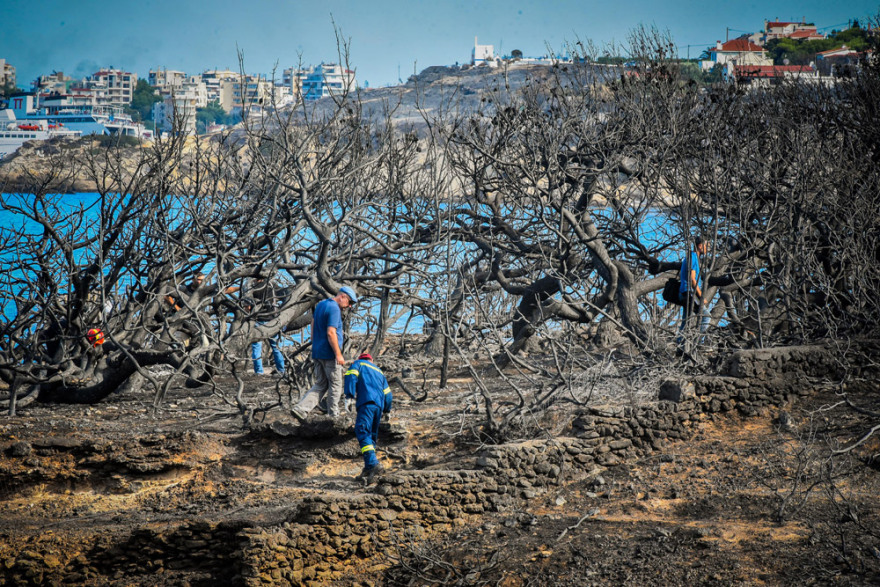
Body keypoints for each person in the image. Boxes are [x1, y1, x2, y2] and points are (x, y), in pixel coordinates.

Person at [290, 286, 358, 421]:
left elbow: (313, 322)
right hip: (329, 354)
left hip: (317, 351)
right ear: (343, 296)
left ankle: (301, 409)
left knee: (321, 383)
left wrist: (315, 343)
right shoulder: (334, 309)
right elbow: (331, 332)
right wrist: (338, 354)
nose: (349, 306)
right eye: (349, 302)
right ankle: (333, 415)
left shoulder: (321, 304)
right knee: (335, 384)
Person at [344, 352, 392, 482]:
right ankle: (368, 468)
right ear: (371, 360)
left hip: (366, 403)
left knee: (362, 430)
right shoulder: (379, 372)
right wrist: (387, 410)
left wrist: (349, 396)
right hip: (379, 407)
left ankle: (372, 464)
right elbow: (388, 393)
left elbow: (351, 377)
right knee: (371, 437)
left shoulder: (358, 364)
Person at [244, 277, 286, 376]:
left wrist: (247, 318)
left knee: (256, 348)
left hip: (258, 319)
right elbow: (282, 294)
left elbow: (247, 307)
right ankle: (281, 370)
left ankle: (259, 372)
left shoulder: (251, 287)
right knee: (276, 347)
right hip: (272, 320)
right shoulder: (271, 285)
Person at [678, 236, 709, 340]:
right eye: (706, 246)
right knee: (706, 316)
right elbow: (692, 280)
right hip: (689, 293)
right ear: (700, 246)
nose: (707, 249)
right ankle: (698, 343)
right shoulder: (693, 257)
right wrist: (701, 296)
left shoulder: (691, 256)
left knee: (686, 321)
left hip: (684, 292)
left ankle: (680, 345)